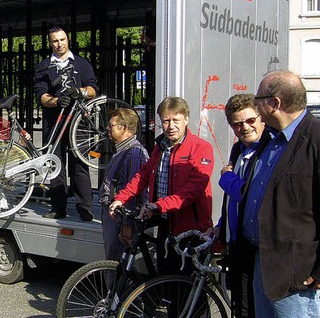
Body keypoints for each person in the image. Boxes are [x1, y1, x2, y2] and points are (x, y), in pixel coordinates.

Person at [241, 71, 320, 317]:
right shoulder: (270, 139)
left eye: (258, 99)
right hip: (263, 262)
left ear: (275, 103)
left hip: (296, 274)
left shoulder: (319, 140)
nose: (254, 105)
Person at [110, 96, 214, 274]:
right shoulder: (161, 147)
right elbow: (143, 175)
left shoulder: (201, 148)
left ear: (186, 120)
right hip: (166, 223)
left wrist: (159, 205)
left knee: (187, 287)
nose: (171, 126)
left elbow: (193, 190)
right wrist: (121, 198)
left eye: (176, 120)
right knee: (165, 277)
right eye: (166, 121)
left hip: (191, 227)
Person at [33, 25, 98, 221]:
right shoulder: (44, 66)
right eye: (55, 40)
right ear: (50, 43)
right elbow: (41, 96)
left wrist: (80, 92)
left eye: (62, 39)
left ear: (67, 39)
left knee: (80, 164)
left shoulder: (81, 63)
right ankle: (58, 207)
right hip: (55, 121)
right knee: (56, 164)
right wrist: (56, 101)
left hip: (79, 122)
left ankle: (85, 207)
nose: (59, 44)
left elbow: (93, 89)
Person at [212, 93, 264, 317]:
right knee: (239, 306)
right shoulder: (238, 149)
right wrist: (222, 226)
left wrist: (226, 179)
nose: (245, 128)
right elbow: (233, 202)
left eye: (250, 120)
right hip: (236, 242)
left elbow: (250, 193)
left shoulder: (266, 151)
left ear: (261, 118)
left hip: (256, 245)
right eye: (237, 124)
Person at [99, 108, 148, 261]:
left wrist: (127, 226)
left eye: (111, 125)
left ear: (124, 128)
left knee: (116, 264)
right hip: (115, 217)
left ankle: (114, 286)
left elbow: (132, 194)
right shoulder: (123, 151)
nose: (108, 129)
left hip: (119, 221)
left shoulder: (133, 154)